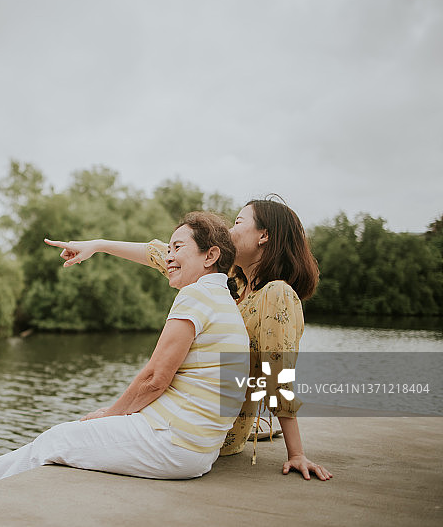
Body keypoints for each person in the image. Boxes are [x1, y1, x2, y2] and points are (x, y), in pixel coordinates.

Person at [0, 212, 250, 491]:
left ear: (210, 256)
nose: (168, 256)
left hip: (176, 444)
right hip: (199, 448)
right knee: (79, 436)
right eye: (168, 249)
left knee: (61, 438)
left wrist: (109, 415)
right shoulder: (223, 300)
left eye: (177, 248)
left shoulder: (196, 295)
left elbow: (155, 378)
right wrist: (97, 244)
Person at [45, 197, 333, 481]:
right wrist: (98, 245)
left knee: (74, 436)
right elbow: (160, 254)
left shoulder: (276, 294)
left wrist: (296, 454)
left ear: (264, 236)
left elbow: (277, 376)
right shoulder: (232, 281)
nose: (230, 231)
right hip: (187, 418)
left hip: (207, 434)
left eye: (238, 222)